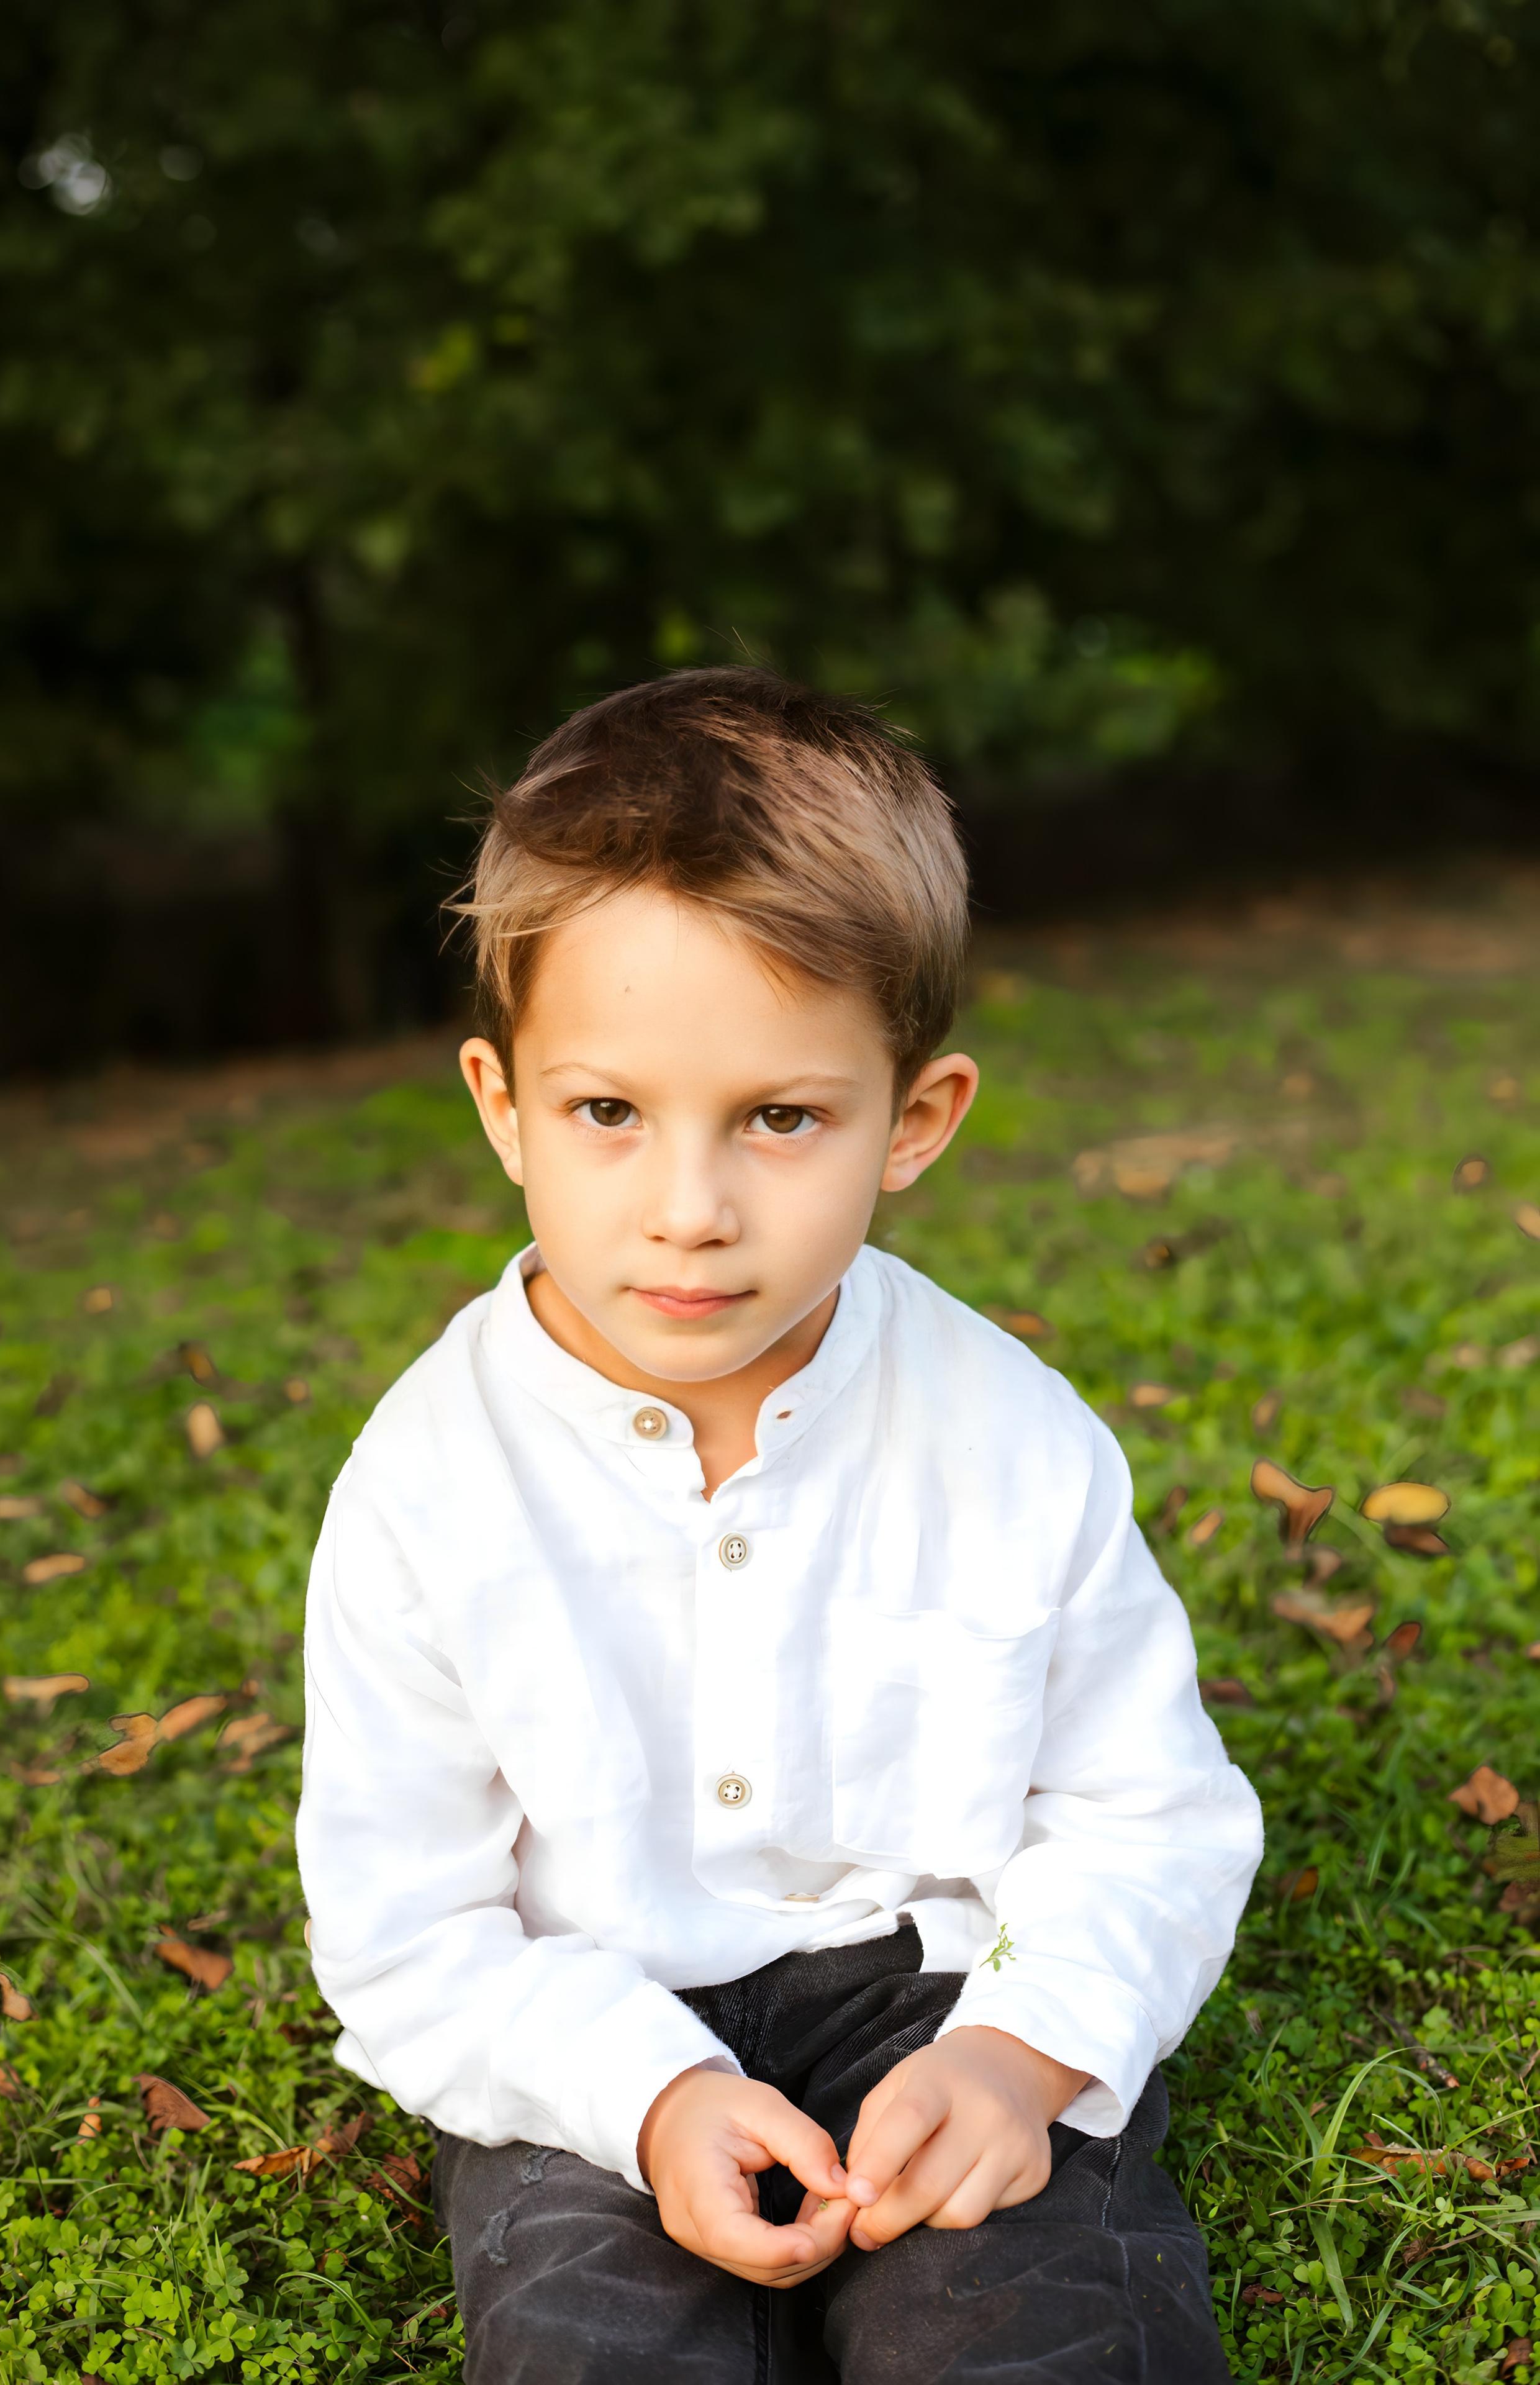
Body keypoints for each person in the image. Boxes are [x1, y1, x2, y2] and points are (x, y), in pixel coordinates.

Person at [296, 666, 1263, 2384]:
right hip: (590, 2023)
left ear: (916, 1121)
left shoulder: (1010, 1435)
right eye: (608, 1112)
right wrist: (647, 2093)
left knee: (1036, 2327)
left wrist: (1021, 2054)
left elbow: (1147, 1813)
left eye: (781, 1118)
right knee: (594, 2346)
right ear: (504, 1106)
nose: (691, 1210)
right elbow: (411, 1928)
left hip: (940, 1988)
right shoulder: (424, 1487)